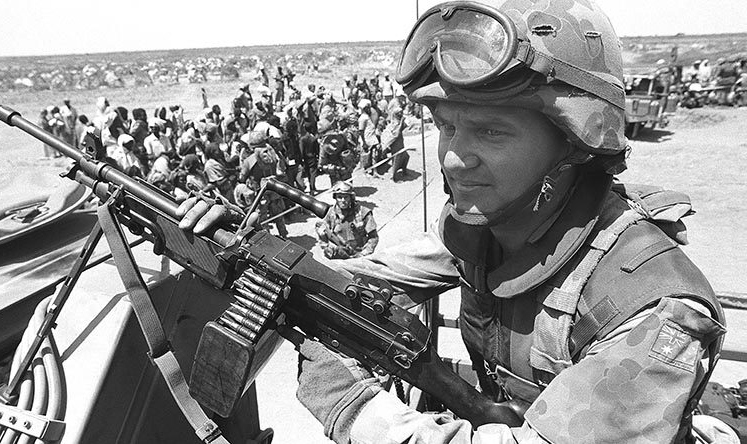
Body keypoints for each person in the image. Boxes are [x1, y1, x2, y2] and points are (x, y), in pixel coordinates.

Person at [176, 1, 730, 443]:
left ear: (577, 140)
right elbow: (363, 276)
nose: (453, 159)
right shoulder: (485, 225)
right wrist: (243, 245)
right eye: (445, 126)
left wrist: (351, 404)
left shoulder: (652, 312)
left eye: (490, 132)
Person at [315, 181, 378, 259]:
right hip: (339, 253)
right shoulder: (331, 213)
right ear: (335, 198)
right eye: (339, 197)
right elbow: (323, 233)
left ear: (351, 197)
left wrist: (364, 254)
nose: (343, 200)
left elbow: (373, 237)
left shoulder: (363, 213)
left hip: (360, 253)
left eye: (346, 197)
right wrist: (326, 247)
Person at [380, 107, 409, 182]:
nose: (401, 114)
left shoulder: (397, 121)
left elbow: (404, 127)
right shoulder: (395, 123)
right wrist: (402, 122)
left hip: (400, 143)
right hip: (396, 144)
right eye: (399, 113)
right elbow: (396, 134)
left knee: (405, 157)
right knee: (396, 160)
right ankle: (394, 177)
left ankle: (404, 171)